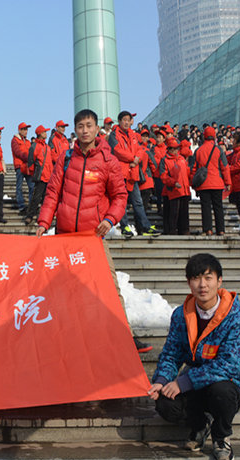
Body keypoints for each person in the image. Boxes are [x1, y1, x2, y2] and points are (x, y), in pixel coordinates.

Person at [35, 108, 152, 353]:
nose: (85, 130)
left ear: (97, 129)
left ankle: (125, 336)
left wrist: (110, 219)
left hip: (93, 237)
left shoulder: (108, 161)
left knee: (108, 286)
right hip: (65, 236)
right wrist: (44, 222)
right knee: (60, 288)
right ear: (75, 130)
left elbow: (120, 195)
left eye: (89, 126)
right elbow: (53, 193)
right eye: (80, 126)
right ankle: (61, 337)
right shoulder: (66, 158)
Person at [148, 253, 240, 460]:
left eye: (208, 278)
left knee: (222, 392)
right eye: (196, 278)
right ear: (189, 283)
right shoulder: (181, 315)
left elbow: (230, 365)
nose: (202, 285)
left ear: (219, 281)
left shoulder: (235, 318)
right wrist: (162, 380)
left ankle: (221, 437)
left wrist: (184, 382)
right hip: (194, 386)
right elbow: (171, 353)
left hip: (226, 385)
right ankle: (200, 426)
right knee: (164, 402)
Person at [108, 111, 161, 237]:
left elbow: (140, 150)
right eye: (124, 120)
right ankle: (124, 226)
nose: (126, 122)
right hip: (121, 174)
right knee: (122, 202)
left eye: (128, 120)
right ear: (119, 121)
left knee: (138, 202)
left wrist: (136, 159)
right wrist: (133, 158)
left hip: (132, 173)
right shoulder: (114, 135)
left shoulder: (133, 134)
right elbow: (117, 151)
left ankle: (145, 226)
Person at [191, 126, 231, 236]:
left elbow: (193, 169)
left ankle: (208, 229)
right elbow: (225, 167)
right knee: (218, 207)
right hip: (217, 183)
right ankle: (221, 230)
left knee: (206, 207)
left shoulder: (198, 151)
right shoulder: (218, 150)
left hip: (203, 184)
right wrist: (228, 182)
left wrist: (193, 183)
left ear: (204, 136)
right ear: (214, 136)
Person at [160, 138, 191, 235]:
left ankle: (184, 230)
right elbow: (163, 176)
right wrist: (173, 183)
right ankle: (172, 231)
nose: (175, 151)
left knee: (184, 213)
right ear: (169, 149)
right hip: (173, 190)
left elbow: (187, 172)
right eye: (172, 148)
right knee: (173, 213)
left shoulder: (182, 159)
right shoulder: (165, 160)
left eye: (176, 148)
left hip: (184, 190)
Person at [24, 125, 54, 225]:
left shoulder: (47, 147)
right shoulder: (34, 146)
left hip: (48, 176)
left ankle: (43, 216)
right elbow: (30, 162)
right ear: (40, 134)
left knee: (46, 198)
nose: (46, 133)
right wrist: (34, 173)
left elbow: (50, 162)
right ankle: (30, 215)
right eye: (44, 132)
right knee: (36, 197)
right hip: (41, 176)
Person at [11, 123, 34, 215]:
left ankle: (31, 206)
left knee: (32, 186)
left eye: (26, 129)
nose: (26, 131)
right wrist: (28, 157)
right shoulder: (15, 140)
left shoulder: (28, 141)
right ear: (19, 130)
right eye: (24, 129)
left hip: (27, 166)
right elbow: (17, 152)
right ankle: (21, 206)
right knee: (19, 187)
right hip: (20, 166)